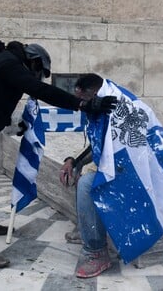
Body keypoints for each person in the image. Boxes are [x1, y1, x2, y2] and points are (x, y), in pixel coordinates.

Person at [0, 36, 117, 269]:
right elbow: (38, 88)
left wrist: (18, 126)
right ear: (34, 62)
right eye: (40, 72)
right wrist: (82, 105)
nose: (37, 77)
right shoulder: (8, 62)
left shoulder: (4, 67)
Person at [58, 73, 113, 278]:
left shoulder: (115, 108)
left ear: (95, 93)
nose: (83, 106)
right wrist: (74, 161)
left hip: (131, 172)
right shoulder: (98, 109)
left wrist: (92, 170)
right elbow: (97, 145)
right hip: (112, 167)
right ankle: (85, 228)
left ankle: (97, 252)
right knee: (79, 172)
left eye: (85, 101)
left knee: (88, 184)